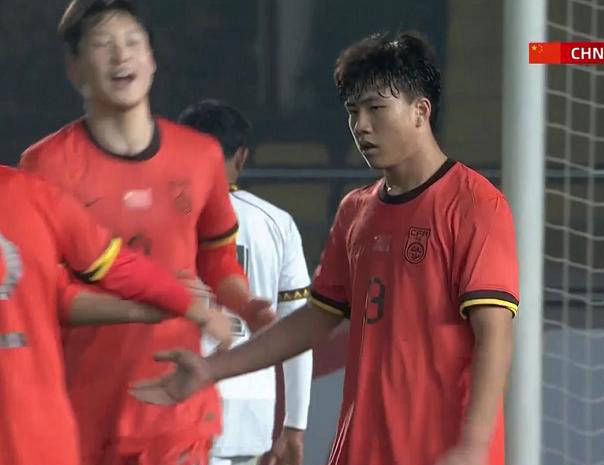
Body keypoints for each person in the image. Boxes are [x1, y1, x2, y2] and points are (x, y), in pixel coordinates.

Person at [132, 31, 519, 465]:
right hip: (360, 449)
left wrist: (473, 445)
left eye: (376, 108)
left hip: (442, 453)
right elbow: (314, 320)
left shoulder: (475, 204)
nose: (361, 126)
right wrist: (210, 370)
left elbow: (494, 334)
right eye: (353, 111)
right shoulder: (356, 210)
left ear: (420, 111)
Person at [18, 1, 275, 464]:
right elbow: (45, 294)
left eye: (133, 42)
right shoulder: (45, 166)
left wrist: (245, 302)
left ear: (153, 59)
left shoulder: (200, 156)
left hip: (176, 411)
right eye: (103, 45)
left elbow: (217, 260)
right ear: (74, 68)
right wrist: (150, 305)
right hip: (80, 409)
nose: (122, 56)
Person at [0, 165, 231, 465]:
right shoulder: (33, 195)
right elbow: (112, 269)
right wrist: (194, 309)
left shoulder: (33, 195)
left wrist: (162, 306)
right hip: (32, 431)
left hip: (30, 428)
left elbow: (53, 295)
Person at [178, 100, 313, 465]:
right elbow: (298, 331)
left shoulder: (165, 215)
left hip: (179, 396)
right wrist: (295, 424)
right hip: (252, 408)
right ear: (241, 156)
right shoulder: (277, 223)